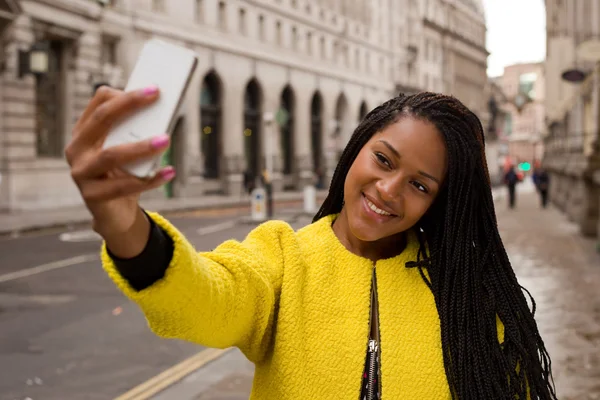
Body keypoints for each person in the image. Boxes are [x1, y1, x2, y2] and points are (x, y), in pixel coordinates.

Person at [65, 88, 557, 400]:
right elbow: (206, 298)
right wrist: (125, 225)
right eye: (384, 161)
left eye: (420, 185)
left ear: (438, 203)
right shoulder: (282, 256)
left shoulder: (462, 289)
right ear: (357, 148)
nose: (389, 189)